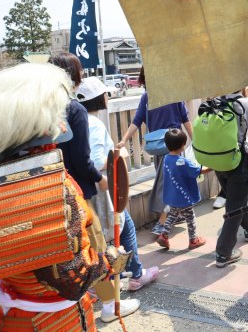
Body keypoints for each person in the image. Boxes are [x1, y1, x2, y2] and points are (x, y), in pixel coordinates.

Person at [0, 63, 131, 331]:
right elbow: (71, 280)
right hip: (56, 319)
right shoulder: (48, 183)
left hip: (12, 311)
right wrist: (110, 261)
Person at [50, 53, 140, 322]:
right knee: (95, 247)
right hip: (77, 193)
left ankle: (76, 300)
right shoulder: (73, 109)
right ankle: (111, 307)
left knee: (66, 252)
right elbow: (81, 159)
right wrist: (99, 179)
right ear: (75, 77)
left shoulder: (43, 107)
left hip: (48, 190)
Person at [77, 77, 159, 291]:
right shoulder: (93, 123)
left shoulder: (78, 120)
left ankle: (118, 277)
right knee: (123, 228)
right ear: (98, 99)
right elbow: (95, 161)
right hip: (101, 187)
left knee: (112, 232)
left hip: (85, 189)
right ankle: (134, 276)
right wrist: (119, 155)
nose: (107, 96)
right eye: (105, 93)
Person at [116, 66, 193, 235]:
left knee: (165, 184)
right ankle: (164, 221)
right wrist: (195, 140)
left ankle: (165, 219)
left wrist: (124, 140)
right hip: (175, 147)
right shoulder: (174, 96)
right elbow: (186, 120)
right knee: (170, 184)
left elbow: (136, 121)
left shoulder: (147, 97)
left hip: (159, 148)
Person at [214, 93, 248, 268]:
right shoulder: (245, 104)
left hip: (217, 159)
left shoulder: (215, 103)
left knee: (236, 199)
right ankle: (223, 253)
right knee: (235, 205)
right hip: (237, 159)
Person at [155, 128, 207, 250]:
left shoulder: (166, 159)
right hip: (184, 196)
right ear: (183, 145)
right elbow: (197, 171)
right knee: (190, 218)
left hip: (173, 196)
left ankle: (164, 235)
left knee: (172, 215)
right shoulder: (182, 162)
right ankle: (193, 240)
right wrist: (213, 167)